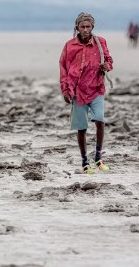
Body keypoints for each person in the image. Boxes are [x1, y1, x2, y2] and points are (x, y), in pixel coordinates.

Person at [59, 12, 114, 174]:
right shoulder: (70, 46)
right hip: (77, 91)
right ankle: (85, 162)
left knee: (100, 120)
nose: (85, 29)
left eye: (88, 27)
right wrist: (65, 89)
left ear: (92, 27)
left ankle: (98, 158)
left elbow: (109, 60)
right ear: (77, 28)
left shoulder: (100, 43)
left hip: (96, 88)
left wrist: (107, 66)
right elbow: (63, 68)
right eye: (82, 27)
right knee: (81, 127)